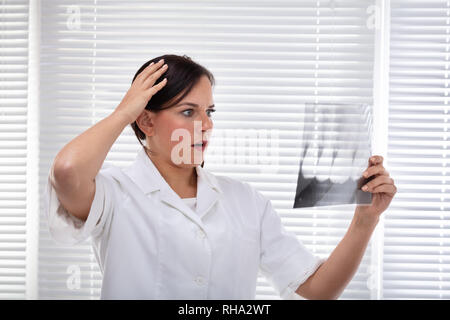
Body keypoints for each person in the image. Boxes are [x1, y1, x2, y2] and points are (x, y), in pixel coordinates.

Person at [44, 54, 397, 300]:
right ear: (146, 120)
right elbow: (67, 170)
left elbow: (319, 291)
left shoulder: (246, 202)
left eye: (209, 111)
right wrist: (124, 112)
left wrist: (364, 221)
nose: (207, 124)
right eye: (188, 111)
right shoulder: (113, 193)